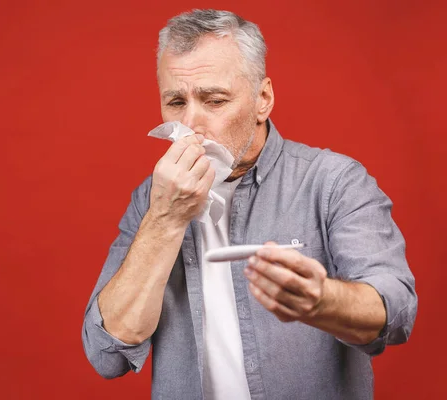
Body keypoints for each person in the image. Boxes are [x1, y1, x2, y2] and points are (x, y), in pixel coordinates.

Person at [81, 9, 417, 400]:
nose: (191, 124)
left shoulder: (332, 182)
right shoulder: (152, 200)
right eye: (175, 102)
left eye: (214, 100)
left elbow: (395, 312)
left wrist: (321, 300)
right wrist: (165, 219)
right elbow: (107, 354)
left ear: (263, 99)